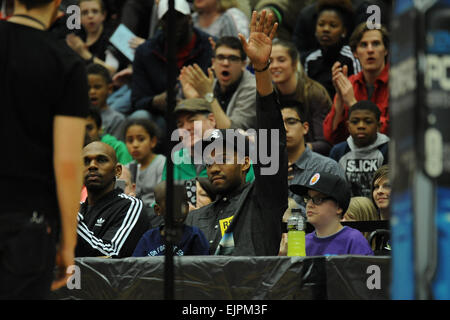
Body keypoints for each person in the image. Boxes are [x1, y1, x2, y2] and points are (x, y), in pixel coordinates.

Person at [0, 0, 88, 298]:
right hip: (28, 220)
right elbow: (67, 163)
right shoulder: (66, 62)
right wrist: (68, 242)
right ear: (56, 3)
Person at [185, 10, 288, 256]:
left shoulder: (263, 198)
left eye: (222, 158)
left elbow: (272, 137)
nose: (214, 167)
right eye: (209, 161)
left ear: (245, 162)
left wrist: (261, 69)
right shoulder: (193, 219)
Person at [131, 0, 214, 132]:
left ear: (189, 19)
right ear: (160, 24)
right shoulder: (145, 52)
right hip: (160, 118)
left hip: (200, 111)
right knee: (140, 117)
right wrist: (155, 101)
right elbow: (136, 100)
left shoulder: (210, 46)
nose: (173, 24)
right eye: (166, 19)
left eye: (178, 18)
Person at [75, 141, 150, 258]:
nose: (92, 165)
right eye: (86, 161)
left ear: (117, 170)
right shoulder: (77, 209)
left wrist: (72, 221)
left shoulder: (129, 205)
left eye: (101, 160)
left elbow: (110, 255)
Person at [323, 22, 390, 145]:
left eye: (376, 44)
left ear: (385, 50)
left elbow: (391, 132)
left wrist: (353, 104)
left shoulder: (398, 81)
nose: (370, 50)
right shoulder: (350, 84)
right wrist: (339, 101)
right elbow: (331, 137)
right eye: (363, 45)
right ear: (355, 53)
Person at [163, 97, 255, 182]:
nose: (186, 128)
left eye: (192, 120)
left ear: (211, 120)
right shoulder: (175, 158)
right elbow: (162, 198)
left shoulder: (235, 150)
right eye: (180, 125)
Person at [180, 36, 257, 130]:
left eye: (232, 58)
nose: (225, 63)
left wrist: (208, 95)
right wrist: (195, 99)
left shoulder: (252, 88)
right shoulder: (211, 85)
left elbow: (232, 132)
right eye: (220, 57)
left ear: (243, 65)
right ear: (213, 63)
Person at [270, 38, 332, 155]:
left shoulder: (314, 93)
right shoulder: (269, 94)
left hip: (312, 158)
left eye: (281, 60)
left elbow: (325, 144)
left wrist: (295, 149)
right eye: (270, 61)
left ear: (294, 64)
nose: (274, 66)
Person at [290, 172, 374, 256]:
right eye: (307, 198)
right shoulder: (304, 242)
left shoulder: (353, 240)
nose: (309, 204)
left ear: (338, 208)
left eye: (318, 199)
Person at [282, 103, 345, 211]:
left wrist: (293, 208)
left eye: (291, 122)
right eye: (277, 123)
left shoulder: (327, 167)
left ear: (305, 128)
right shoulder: (266, 170)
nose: (284, 128)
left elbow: (337, 214)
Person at [329, 100, 389, 197]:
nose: (361, 126)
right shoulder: (338, 152)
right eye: (355, 122)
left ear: (379, 126)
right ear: (348, 126)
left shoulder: (388, 150)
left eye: (368, 122)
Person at [132, 181, 210, 256]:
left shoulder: (194, 236)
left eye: (183, 205)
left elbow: (204, 266)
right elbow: (136, 267)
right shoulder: (148, 238)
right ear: (157, 210)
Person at [303, 0, 361, 100]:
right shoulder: (310, 60)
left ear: (343, 31)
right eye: (321, 24)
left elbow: (359, 92)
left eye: (333, 25)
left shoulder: (351, 56)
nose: (326, 29)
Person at [65, 0, 127, 74]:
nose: (90, 16)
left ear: (103, 15)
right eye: (84, 13)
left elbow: (110, 71)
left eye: (95, 11)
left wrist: (83, 53)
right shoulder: (76, 38)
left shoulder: (113, 35)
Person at [124, 118, 166, 206]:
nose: (135, 145)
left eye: (141, 139)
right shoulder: (127, 168)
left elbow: (163, 196)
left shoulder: (162, 163)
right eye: (130, 140)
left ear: (153, 142)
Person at [86, 63, 126, 140]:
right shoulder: (78, 116)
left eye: (97, 87)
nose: (92, 92)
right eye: (88, 88)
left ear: (110, 88)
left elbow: (114, 149)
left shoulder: (116, 119)